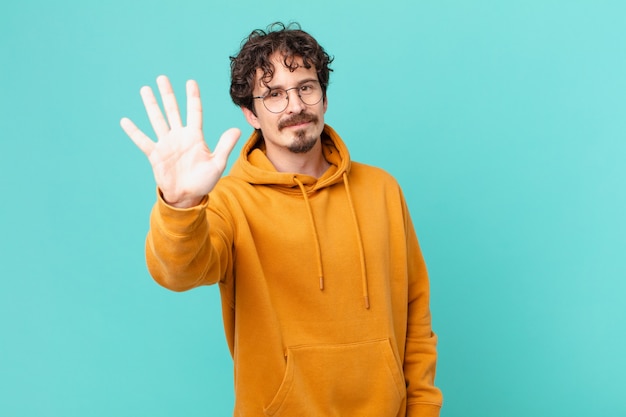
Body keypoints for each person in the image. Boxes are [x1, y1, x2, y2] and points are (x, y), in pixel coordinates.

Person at [120, 22, 443, 417]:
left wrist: (424, 408)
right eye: (273, 94)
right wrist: (182, 204)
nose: (294, 106)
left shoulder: (382, 190)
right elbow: (177, 271)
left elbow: (416, 314)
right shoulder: (229, 201)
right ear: (250, 113)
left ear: (324, 99)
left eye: (305, 87)